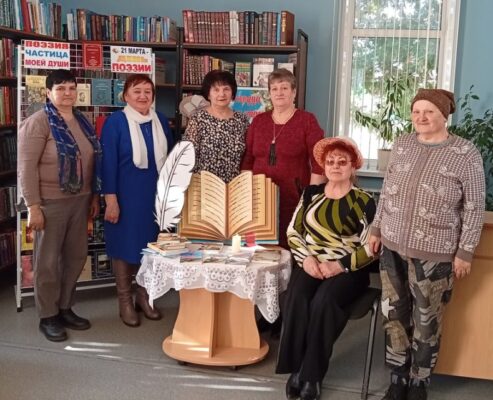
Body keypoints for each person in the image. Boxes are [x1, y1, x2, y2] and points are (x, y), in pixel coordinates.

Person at [368, 89, 485, 400]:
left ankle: (419, 382)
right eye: (416, 111)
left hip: (435, 254)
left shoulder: (465, 152)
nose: (420, 117)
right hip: (391, 247)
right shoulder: (402, 144)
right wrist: (376, 228)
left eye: (429, 111)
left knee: (426, 321)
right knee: (394, 315)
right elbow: (387, 191)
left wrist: (465, 251)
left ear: (444, 116)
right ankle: (397, 379)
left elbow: (474, 206)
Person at [276, 137, 376, 400]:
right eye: (330, 162)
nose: (335, 166)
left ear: (353, 166)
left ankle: (312, 375)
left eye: (342, 162)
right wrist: (306, 260)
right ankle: (296, 369)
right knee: (296, 296)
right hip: (311, 262)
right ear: (324, 166)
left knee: (323, 302)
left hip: (349, 269)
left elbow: (371, 247)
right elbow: (293, 231)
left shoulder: (364, 200)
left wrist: (339, 265)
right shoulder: (311, 194)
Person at [18, 69, 102, 342]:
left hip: (80, 200)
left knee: (75, 257)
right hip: (50, 203)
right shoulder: (38, 122)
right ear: (48, 92)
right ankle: (48, 315)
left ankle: (65, 307)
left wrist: (93, 196)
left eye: (71, 88)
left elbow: (91, 161)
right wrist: (33, 206)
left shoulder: (82, 120)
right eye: (60, 88)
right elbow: (26, 168)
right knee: (48, 262)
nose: (67, 93)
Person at [101, 74, 175, 327]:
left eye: (147, 91)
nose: (143, 96)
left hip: (155, 197)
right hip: (125, 196)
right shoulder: (115, 122)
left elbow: (170, 160)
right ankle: (125, 301)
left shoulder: (160, 120)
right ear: (125, 95)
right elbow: (107, 164)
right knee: (125, 246)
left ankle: (145, 297)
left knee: (153, 246)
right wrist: (111, 200)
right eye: (137, 91)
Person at [241, 68, 326, 249]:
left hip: (293, 197)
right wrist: (246, 191)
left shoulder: (307, 120)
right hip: (260, 198)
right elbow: (247, 159)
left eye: (284, 88)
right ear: (269, 94)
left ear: (294, 92)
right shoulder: (259, 121)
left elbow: (319, 160)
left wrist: (310, 196)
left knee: (290, 247)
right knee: (259, 248)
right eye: (274, 88)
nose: (279, 92)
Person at [183, 69, 250, 183]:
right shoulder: (198, 119)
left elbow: (248, 156)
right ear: (208, 94)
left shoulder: (242, 120)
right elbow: (188, 157)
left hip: (235, 186)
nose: (221, 94)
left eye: (226, 89)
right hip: (205, 186)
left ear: (232, 93)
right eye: (216, 89)